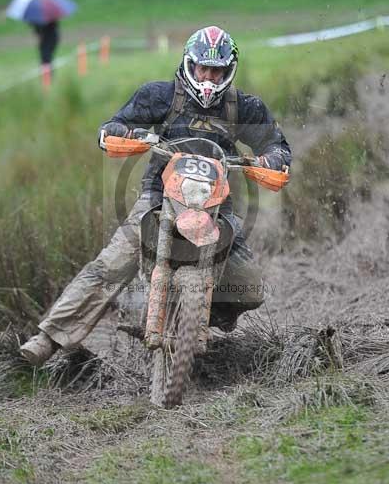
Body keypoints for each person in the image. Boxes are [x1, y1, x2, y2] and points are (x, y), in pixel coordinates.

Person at [20, 26, 292, 367]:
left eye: (217, 70)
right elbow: (115, 124)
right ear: (189, 65)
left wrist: (273, 159)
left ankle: (198, 317)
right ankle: (48, 337)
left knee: (250, 287)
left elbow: (276, 144)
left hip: (216, 206)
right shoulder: (159, 96)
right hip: (159, 197)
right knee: (114, 261)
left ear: (229, 70)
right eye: (202, 69)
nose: (208, 77)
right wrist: (121, 132)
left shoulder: (245, 108)